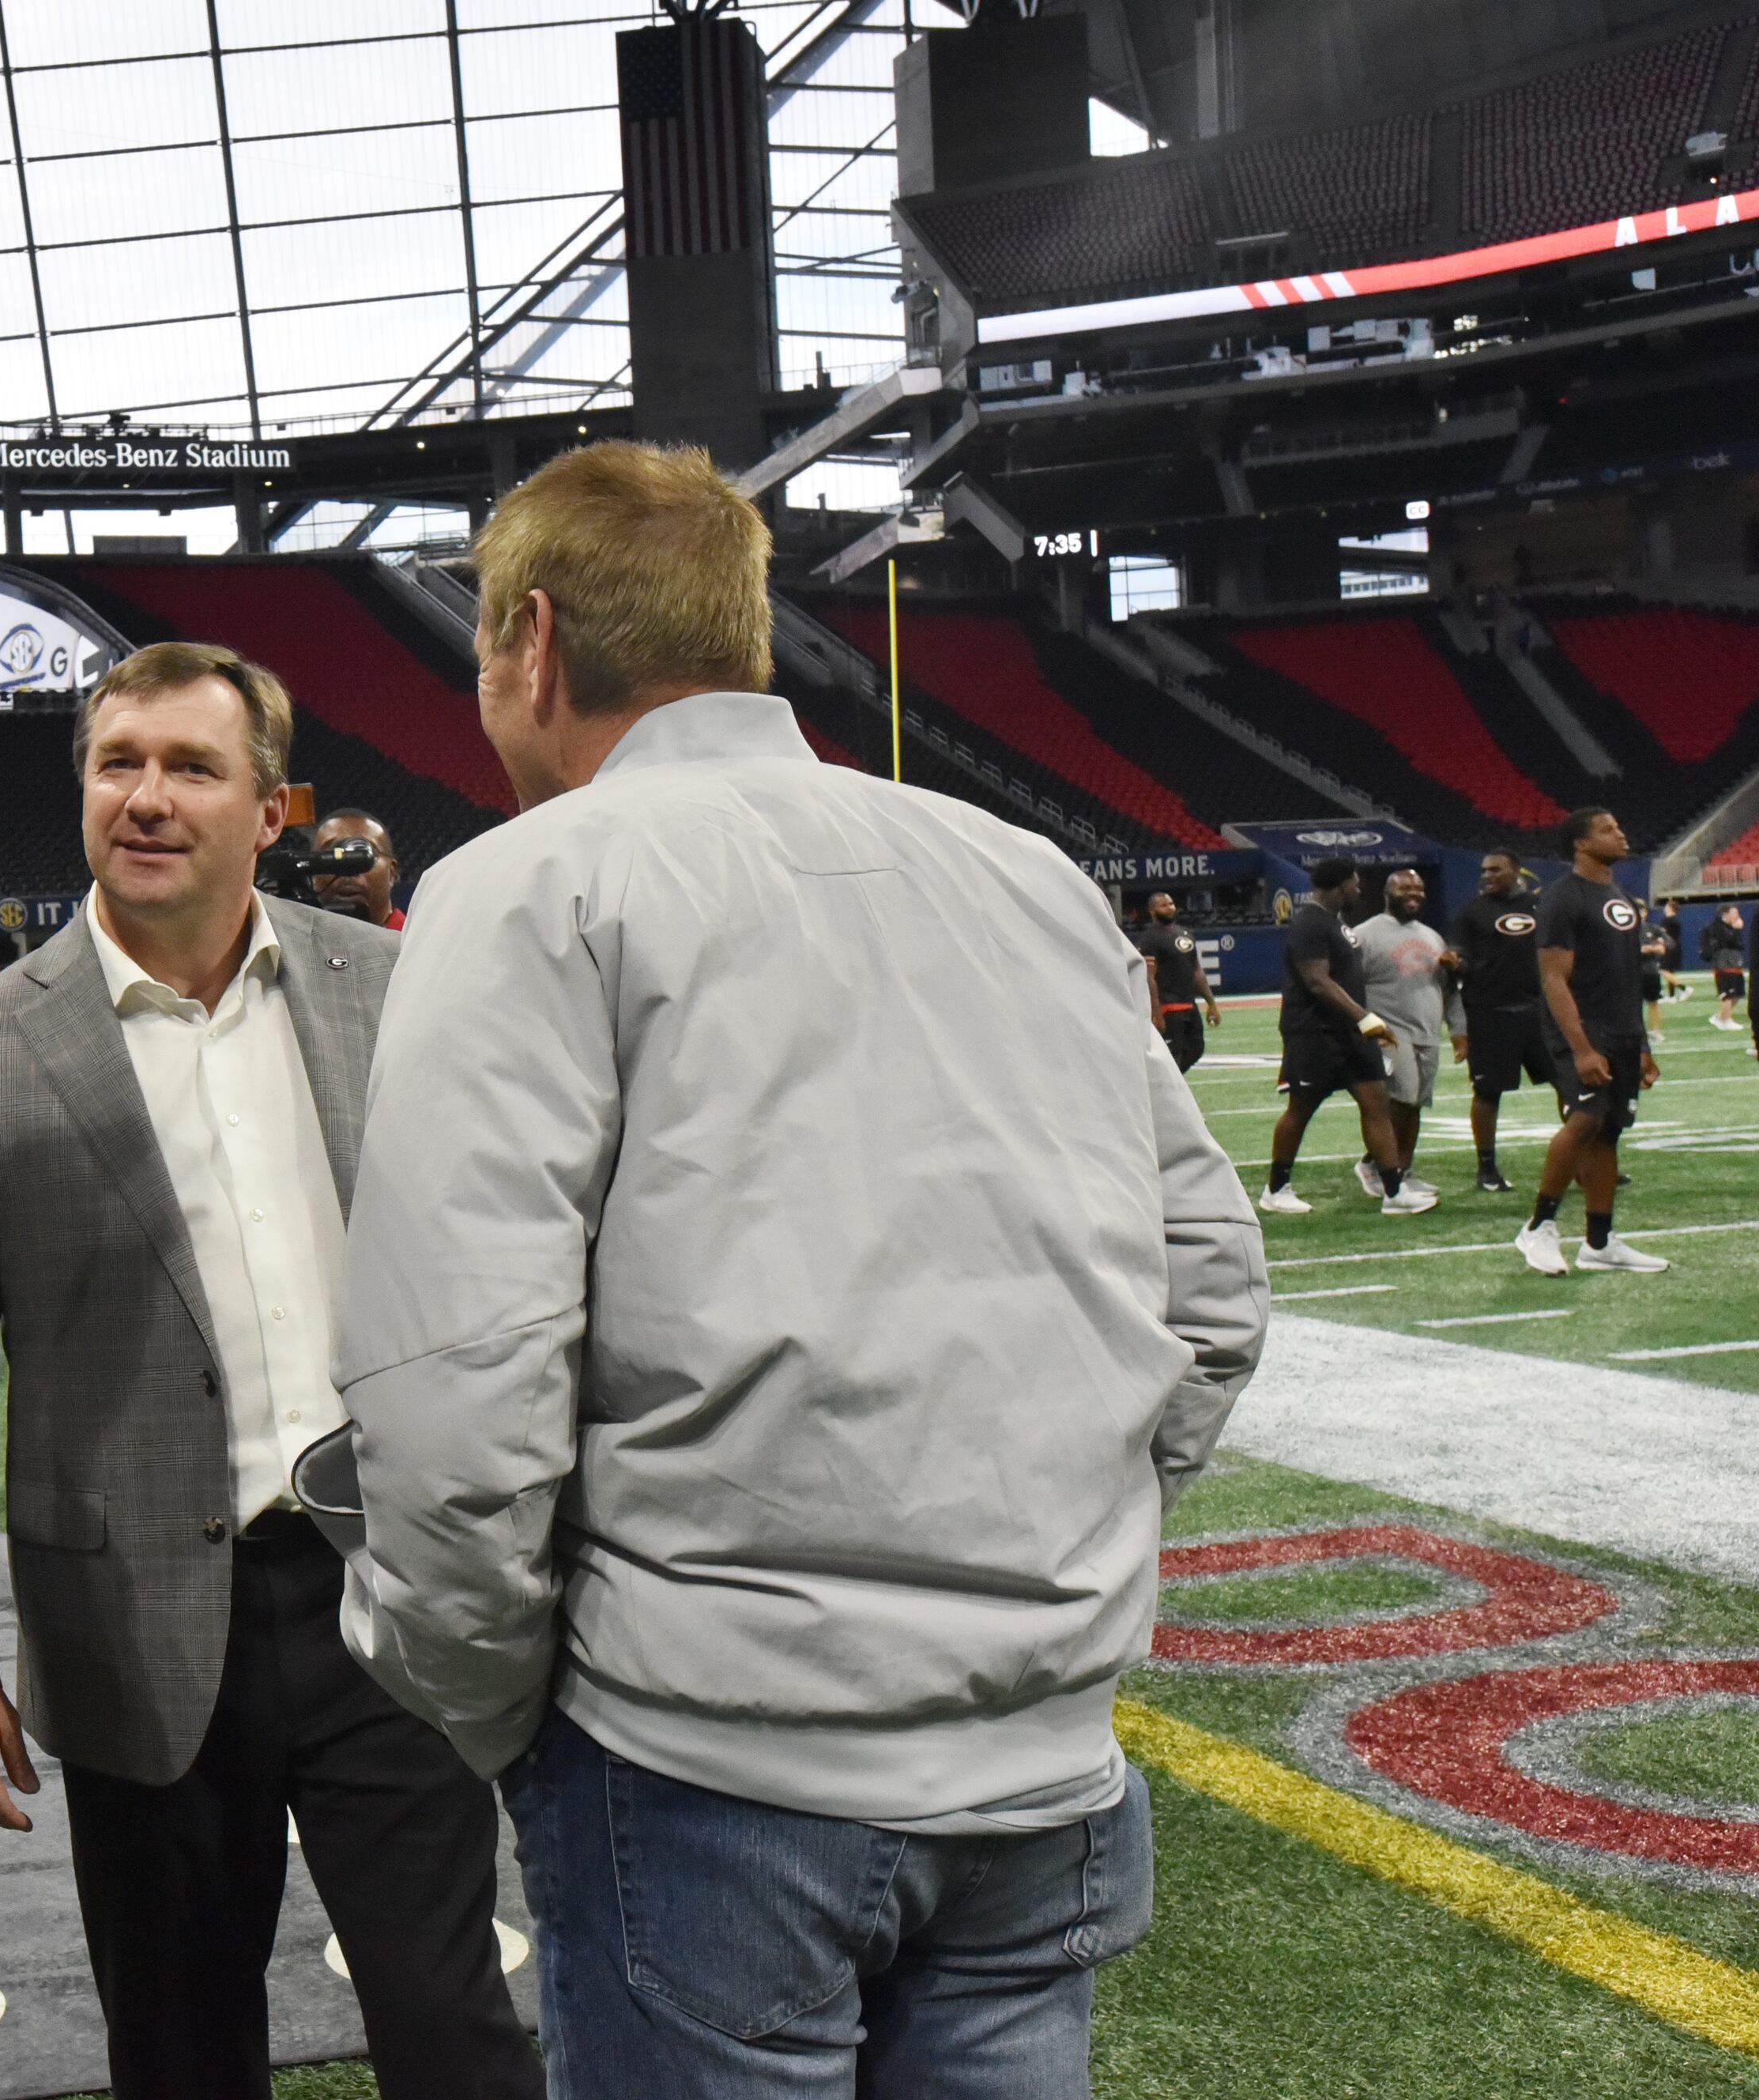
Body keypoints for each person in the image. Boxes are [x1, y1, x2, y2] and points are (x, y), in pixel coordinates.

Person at [327, 439, 1267, 2100]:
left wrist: (501, 1705)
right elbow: (1210, 1292)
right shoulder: (1028, 874)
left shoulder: (524, 887)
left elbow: (456, 1392)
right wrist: (1058, 1546)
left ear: (532, 641)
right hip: (1043, 1758)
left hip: (712, 1754)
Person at [0, 641, 540, 2100]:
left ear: (268, 807)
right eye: (120, 764)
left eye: (193, 767)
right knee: (179, 2046)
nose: (150, 798)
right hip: (133, 1622)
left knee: (456, 2025)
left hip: (387, 1590)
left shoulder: (391, 986)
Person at [1516, 807, 1667, 1276]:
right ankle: (1538, 1227)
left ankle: (1599, 1243)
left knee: (1609, 1131)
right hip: (1582, 1028)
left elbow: (1627, 978)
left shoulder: (1618, 893)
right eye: (1608, 830)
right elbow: (1554, 979)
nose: (1620, 834)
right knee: (1584, 1121)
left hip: (1621, 1031)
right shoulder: (1563, 897)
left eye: (1620, 826)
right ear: (1581, 844)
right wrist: (1581, 1047)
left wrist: (1641, 1045)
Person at [1262, 857, 1434, 1216]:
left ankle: (1393, 1190)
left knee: (1377, 1103)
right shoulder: (1309, 923)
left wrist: (1359, 1022)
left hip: (1349, 1032)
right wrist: (1365, 1017)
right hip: (1314, 1032)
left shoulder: (1335, 924)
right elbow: (1317, 981)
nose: (1359, 889)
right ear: (1341, 885)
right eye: (1354, 883)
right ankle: (1276, 1189)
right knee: (1300, 1109)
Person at [1350, 869, 1465, 1201]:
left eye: (1418, 888)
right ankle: (1374, 1163)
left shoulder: (1432, 936)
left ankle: (1404, 1169)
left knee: (1415, 1103)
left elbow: (1448, 989)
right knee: (1399, 1099)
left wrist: (1458, 1029)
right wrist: (1362, 1026)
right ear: (1388, 893)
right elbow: (1350, 986)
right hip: (1389, 1030)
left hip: (1427, 1031)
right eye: (1405, 888)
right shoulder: (1366, 934)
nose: (1413, 893)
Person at [1452, 850, 1555, 1193]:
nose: (1487, 876)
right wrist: (1455, 962)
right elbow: (1463, 956)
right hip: (1490, 1013)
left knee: (1569, 1082)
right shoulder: (1472, 912)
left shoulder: (1540, 907)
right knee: (1488, 1092)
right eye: (1484, 871)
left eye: (1496, 870)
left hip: (1538, 1012)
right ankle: (1486, 1169)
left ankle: (1587, 1160)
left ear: (1516, 870)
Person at [1130, 891, 1219, 1071]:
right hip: (1169, 1007)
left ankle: (1173, 1089)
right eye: (1163, 905)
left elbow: (1197, 971)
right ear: (1152, 911)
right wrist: (1156, 1012)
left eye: (1171, 903)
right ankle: (1170, 1095)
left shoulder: (1185, 934)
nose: (1170, 908)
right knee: (1174, 1053)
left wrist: (1211, 1003)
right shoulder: (1149, 939)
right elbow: (1149, 978)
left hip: (1189, 1004)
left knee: (1196, 1049)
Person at [309, 807, 408, 929]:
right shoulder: (294, 943)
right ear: (313, 874)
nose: (349, 868)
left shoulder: (421, 941)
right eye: (332, 854)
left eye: (362, 854)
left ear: (392, 873)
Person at [1705, 903, 1745, 1030]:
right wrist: (1736, 929)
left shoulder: (1730, 928)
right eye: (1734, 913)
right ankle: (1726, 1020)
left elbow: (1740, 945)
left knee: (1738, 994)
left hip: (1735, 963)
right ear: (1725, 914)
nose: (1737, 916)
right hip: (1724, 964)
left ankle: (1720, 1016)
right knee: (1727, 994)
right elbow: (1730, 942)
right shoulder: (1717, 927)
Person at [1639, 903, 1673, 1041]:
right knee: (1634, 1004)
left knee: (1654, 1001)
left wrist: (1660, 945)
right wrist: (1652, 948)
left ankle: (1656, 1031)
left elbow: (1669, 943)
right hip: (1633, 970)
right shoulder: (1627, 930)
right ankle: (1639, 1032)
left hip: (1651, 970)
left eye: (1641, 910)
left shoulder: (1653, 928)